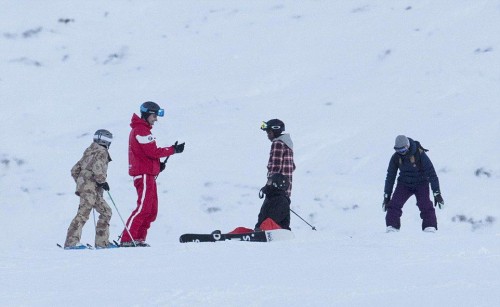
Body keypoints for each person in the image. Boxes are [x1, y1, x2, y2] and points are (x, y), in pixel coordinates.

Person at [120, 101, 185, 247]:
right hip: (143, 175)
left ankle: (138, 238)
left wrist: (157, 165)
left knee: (151, 210)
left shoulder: (144, 130)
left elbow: (147, 154)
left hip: (148, 174)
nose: (156, 119)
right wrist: (173, 150)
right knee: (143, 208)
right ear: (147, 114)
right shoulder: (140, 130)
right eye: (154, 115)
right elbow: (152, 151)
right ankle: (127, 238)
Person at [64, 129, 116, 249]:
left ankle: (102, 242)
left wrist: (81, 183)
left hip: (88, 189)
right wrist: (102, 182)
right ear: (105, 140)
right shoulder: (102, 151)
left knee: (106, 211)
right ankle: (71, 243)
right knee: (83, 214)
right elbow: (98, 169)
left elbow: (74, 170)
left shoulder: (89, 152)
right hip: (91, 189)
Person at [383, 135, 444, 232]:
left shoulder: (419, 154)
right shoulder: (396, 158)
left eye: (403, 150)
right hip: (404, 184)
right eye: (398, 150)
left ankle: (430, 227)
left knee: (424, 204)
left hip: (421, 183)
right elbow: (390, 176)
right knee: (394, 204)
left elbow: (431, 173)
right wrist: (387, 195)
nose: (401, 153)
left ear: (407, 146)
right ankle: (392, 227)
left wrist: (436, 192)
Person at [260, 119, 296, 198]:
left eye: (269, 132)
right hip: (286, 191)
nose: (268, 135)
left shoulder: (277, 143)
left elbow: (276, 167)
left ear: (275, 131)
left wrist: (268, 185)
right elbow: (292, 166)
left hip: (276, 190)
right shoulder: (287, 145)